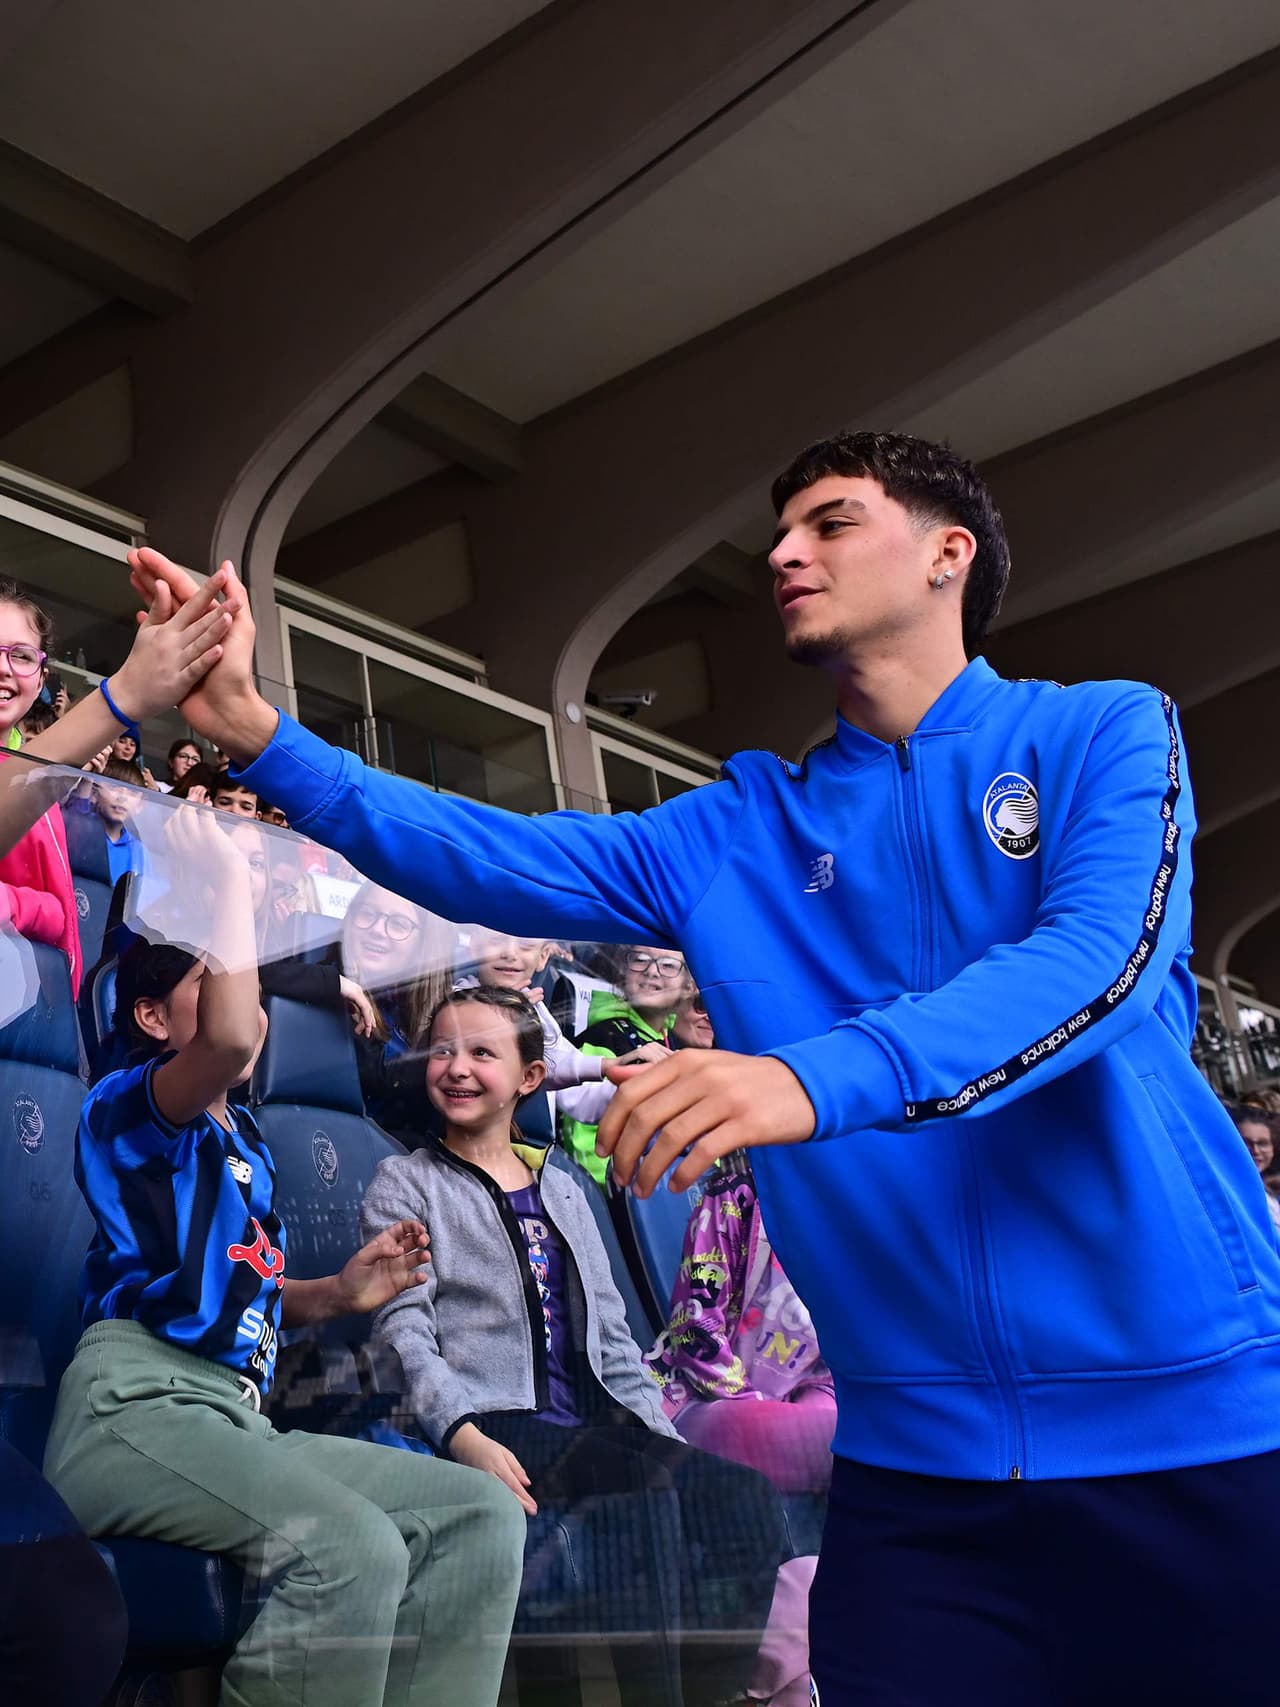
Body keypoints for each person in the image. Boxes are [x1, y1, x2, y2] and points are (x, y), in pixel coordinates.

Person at [131, 430, 1280, 1706]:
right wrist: (261, 736)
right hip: (917, 1474)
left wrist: (802, 1080)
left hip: (1189, 1429)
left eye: (830, 523)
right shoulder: (738, 825)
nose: (784, 553)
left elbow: (1098, 961)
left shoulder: (1101, 732)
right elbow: (492, 855)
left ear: (948, 553)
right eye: (777, 534)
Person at [42, 805, 524, 1707]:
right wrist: (228, 882)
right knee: (349, 1543)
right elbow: (223, 1037)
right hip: (132, 1413)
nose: (248, 1002)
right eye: (217, 974)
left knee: (476, 1513)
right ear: (150, 1014)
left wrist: (336, 1292)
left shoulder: (248, 1138)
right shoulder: (131, 1104)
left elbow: (242, 1291)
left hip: (233, 1419)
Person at [361, 985, 787, 1707]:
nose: (457, 1067)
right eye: (443, 1050)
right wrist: (460, 1432)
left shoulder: (561, 1187)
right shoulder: (404, 1183)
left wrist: (660, 1432)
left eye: (482, 1053)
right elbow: (404, 1332)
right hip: (493, 1419)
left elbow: (615, 1338)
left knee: (738, 1495)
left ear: (530, 1078)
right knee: (635, 1491)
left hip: (593, 1417)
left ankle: (714, 1693)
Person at [0, 571, 230, 989]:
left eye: (21, 656)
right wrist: (126, 693)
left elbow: (60, 912)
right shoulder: (47, 775)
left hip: (30, 1008)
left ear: (40, 680)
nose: (4, 669)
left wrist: (14, 904)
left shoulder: (44, 783)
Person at [561, 945, 683, 1181]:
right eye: (640, 960)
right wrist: (610, 1197)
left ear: (687, 984)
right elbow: (584, 1137)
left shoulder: (670, 1042)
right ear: (623, 972)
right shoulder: (605, 1036)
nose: (652, 971)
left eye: (668, 965)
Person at [93, 756, 147, 886]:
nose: (123, 797)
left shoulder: (139, 851)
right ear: (95, 792)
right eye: (113, 786)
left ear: (141, 805)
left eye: (133, 791)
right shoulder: (81, 834)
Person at [1227, 1102, 1280, 1231]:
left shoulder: (1271, 1191)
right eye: (1246, 1143)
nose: (1255, 1150)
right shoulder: (1230, 1196)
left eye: (1262, 1143)